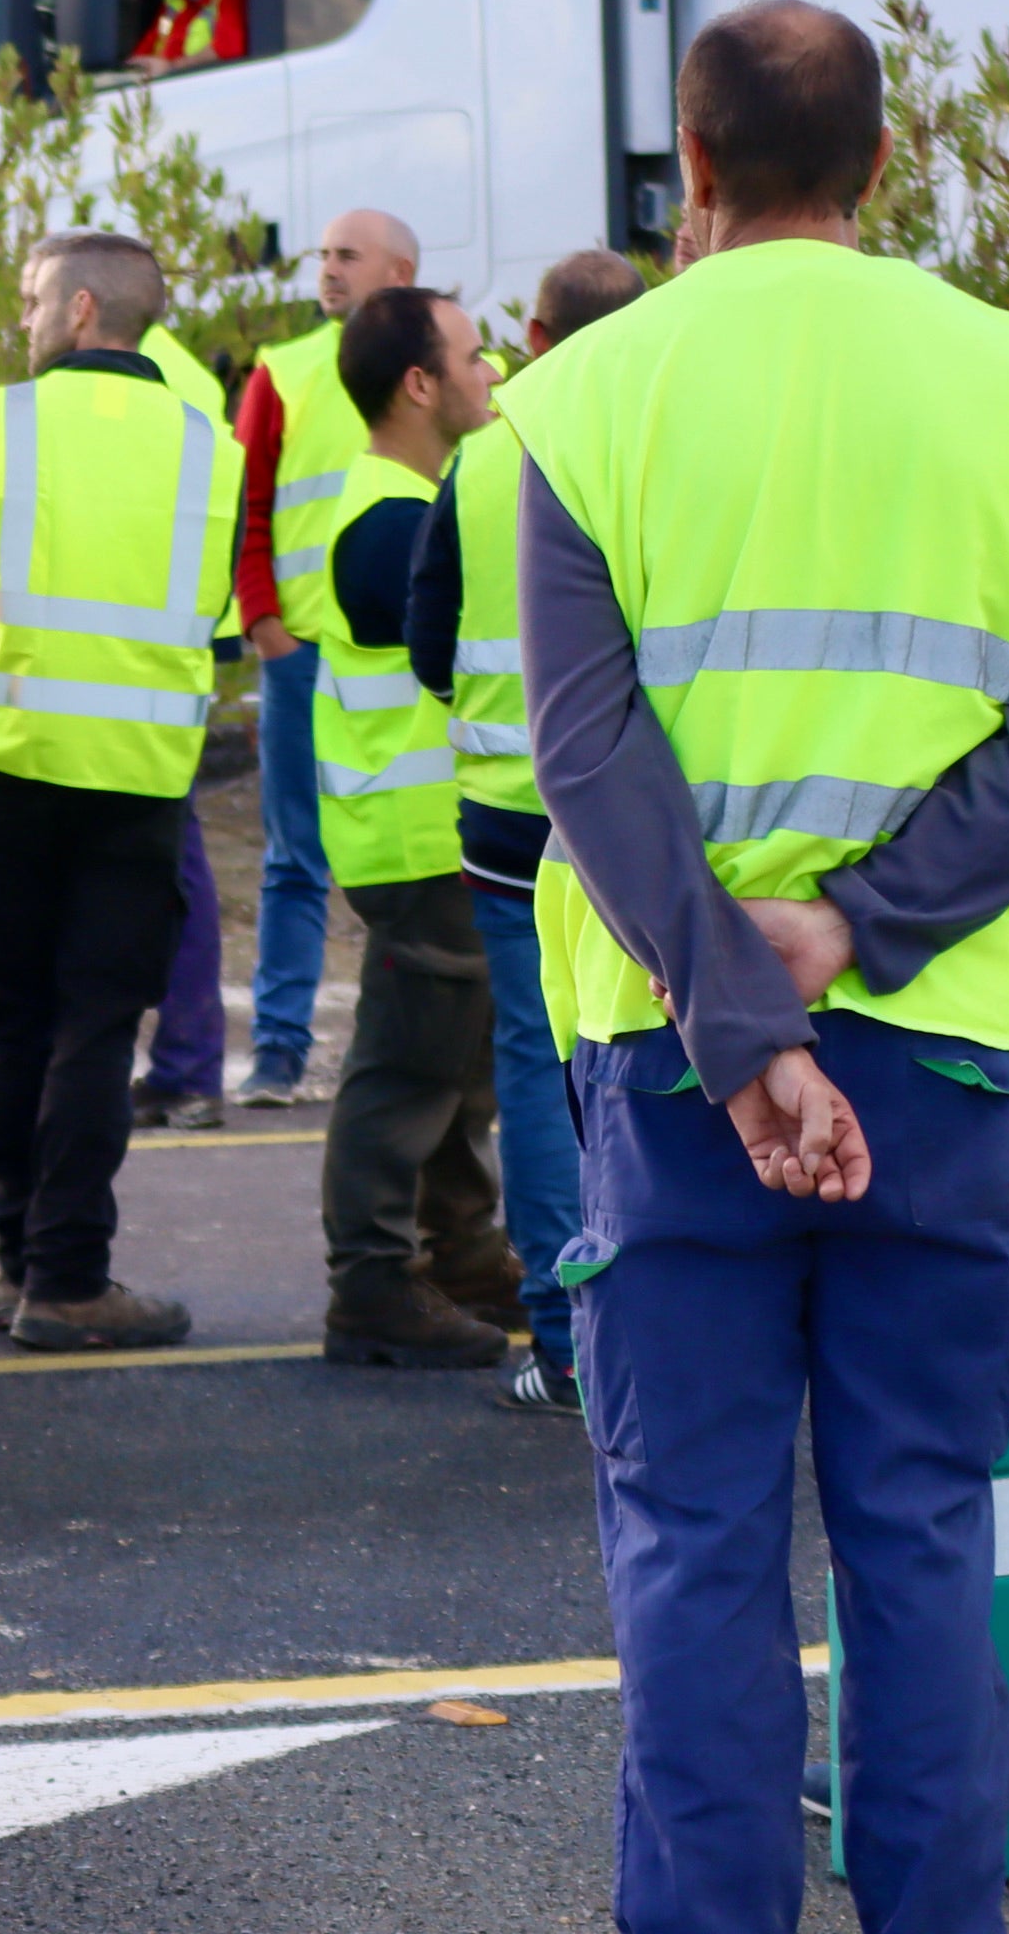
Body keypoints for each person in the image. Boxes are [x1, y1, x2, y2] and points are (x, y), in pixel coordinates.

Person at [520, 0, 1009, 1934]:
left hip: (665, 1067)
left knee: (692, 1552)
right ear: (880, 164)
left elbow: (583, 753)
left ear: (690, 166)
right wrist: (859, 926)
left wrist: (735, 1016)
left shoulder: (584, 393)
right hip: (935, 1058)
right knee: (922, 1544)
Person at [0, 229, 235, 1353]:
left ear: (78, 310)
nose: (21, 320)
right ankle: (67, 1278)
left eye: (29, 300)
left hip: (11, 764)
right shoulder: (209, 445)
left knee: (15, 1019)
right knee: (97, 1030)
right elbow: (208, 612)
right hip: (139, 778)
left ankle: (21, 1266)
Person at [408, 246, 645, 1414]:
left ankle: (564, 1340)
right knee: (657, 1057)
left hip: (509, 822)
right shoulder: (664, 437)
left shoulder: (488, 456)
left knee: (539, 1071)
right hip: (643, 817)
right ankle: (665, 1320)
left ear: (537, 343)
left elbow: (428, 642)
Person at [304, 284, 520, 1368]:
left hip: (434, 835)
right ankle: (374, 1286)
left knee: (457, 1064)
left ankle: (463, 1253)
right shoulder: (396, 522)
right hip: (417, 838)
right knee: (407, 1070)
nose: (495, 374)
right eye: (475, 357)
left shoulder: (408, 502)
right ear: (420, 384)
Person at [233, 209, 421, 1101]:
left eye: (349, 255)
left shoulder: (439, 367)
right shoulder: (284, 370)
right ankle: (278, 1052)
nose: (329, 268)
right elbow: (249, 503)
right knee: (294, 862)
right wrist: (264, 623)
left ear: (399, 271)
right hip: (304, 656)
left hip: (405, 662)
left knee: (409, 865)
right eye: (324, 255)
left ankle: (404, 1048)